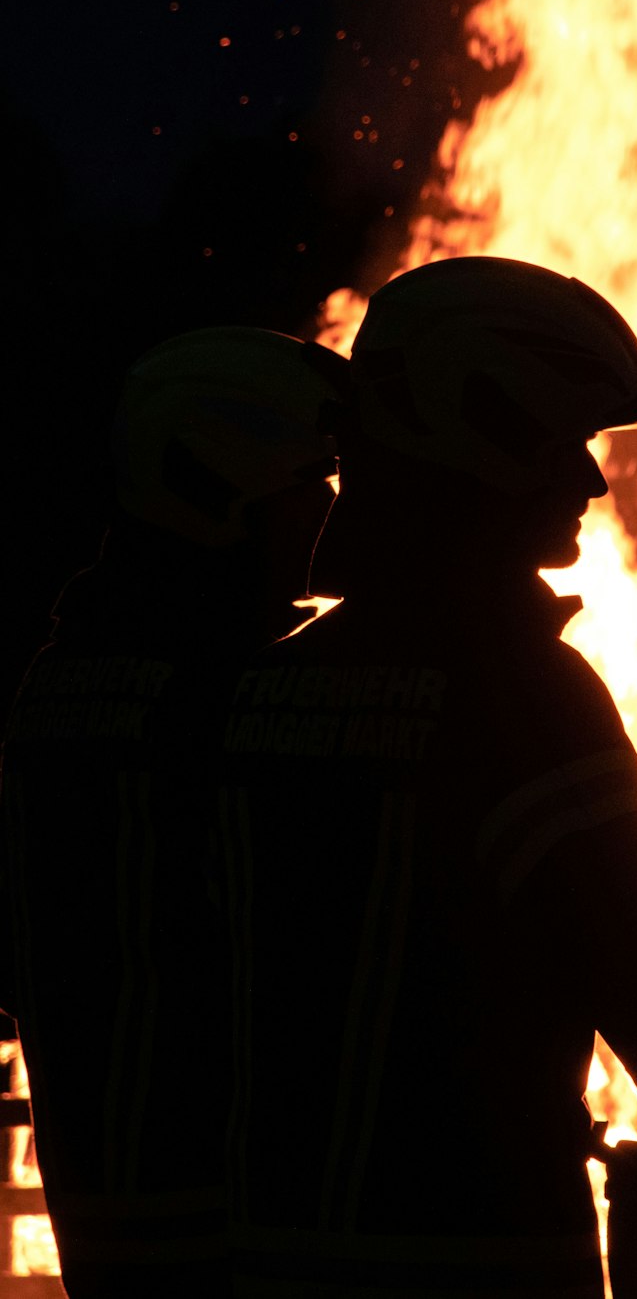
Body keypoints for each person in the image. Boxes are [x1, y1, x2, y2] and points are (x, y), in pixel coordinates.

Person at [218, 256, 637, 1298]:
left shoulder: (255, 693)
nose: (591, 480)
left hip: (258, 1259)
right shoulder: (519, 698)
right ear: (477, 429)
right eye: (566, 442)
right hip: (476, 1255)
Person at [0, 326, 349, 1297]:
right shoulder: (236, 696)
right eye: (306, 484)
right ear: (216, 489)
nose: (330, 508)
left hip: (108, 1199)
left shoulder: (65, 678)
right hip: (234, 1217)